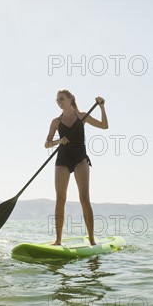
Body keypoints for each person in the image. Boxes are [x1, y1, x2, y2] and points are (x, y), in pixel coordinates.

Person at [45, 90, 108, 246]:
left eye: (61, 99)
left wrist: (101, 107)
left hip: (80, 159)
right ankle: (58, 240)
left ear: (70, 99)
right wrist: (59, 141)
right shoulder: (56, 121)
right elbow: (47, 144)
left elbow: (104, 126)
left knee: (84, 198)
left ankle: (92, 240)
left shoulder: (82, 116)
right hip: (63, 159)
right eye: (57, 99)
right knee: (60, 199)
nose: (58, 101)